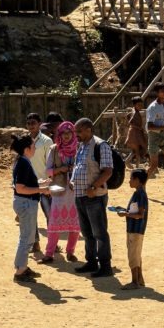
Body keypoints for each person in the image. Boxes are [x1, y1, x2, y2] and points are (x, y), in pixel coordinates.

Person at [71, 117, 114, 278]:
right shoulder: (81, 146)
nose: (77, 135)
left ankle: (105, 265)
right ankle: (91, 261)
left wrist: (94, 187)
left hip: (94, 196)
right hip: (80, 195)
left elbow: (108, 171)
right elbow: (79, 167)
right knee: (87, 232)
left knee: (99, 232)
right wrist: (72, 181)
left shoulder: (100, 145)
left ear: (89, 129)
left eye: (79, 131)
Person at [42, 120, 81, 263]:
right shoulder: (54, 149)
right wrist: (60, 170)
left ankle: (70, 252)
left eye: (69, 132)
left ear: (73, 133)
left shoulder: (79, 148)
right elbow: (48, 171)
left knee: (75, 224)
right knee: (54, 223)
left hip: (75, 190)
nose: (66, 136)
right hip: (59, 190)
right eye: (63, 133)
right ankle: (49, 253)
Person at [10, 134, 45, 283]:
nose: (35, 148)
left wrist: (41, 185)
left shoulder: (22, 161)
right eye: (33, 145)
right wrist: (41, 190)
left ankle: (21, 266)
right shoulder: (24, 162)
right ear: (27, 149)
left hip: (24, 203)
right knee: (27, 238)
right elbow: (21, 188)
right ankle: (20, 270)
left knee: (27, 237)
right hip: (26, 203)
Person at [26, 112, 54, 253]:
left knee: (50, 215)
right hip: (29, 185)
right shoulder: (24, 140)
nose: (31, 126)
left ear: (39, 124)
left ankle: (52, 245)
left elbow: (51, 164)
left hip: (44, 184)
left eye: (33, 123)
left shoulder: (47, 141)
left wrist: (50, 183)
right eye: (29, 123)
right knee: (31, 217)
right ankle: (35, 244)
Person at [117, 168, 148, 290]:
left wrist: (125, 214)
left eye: (131, 179)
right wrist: (125, 211)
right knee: (136, 254)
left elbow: (140, 214)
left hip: (136, 229)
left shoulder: (140, 194)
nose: (129, 181)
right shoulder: (138, 193)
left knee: (133, 255)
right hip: (134, 229)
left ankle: (135, 281)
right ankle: (139, 279)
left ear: (138, 180)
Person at [125, 96, 148, 166]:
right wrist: (139, 127)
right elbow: (130, 122)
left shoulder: (134, 110)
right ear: (135, 105)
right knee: (138, 150)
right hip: (134, 134)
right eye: (139, 105)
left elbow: (128, 116)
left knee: (136, 151)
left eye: (141, 105)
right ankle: (136, 166)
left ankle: (128, 162)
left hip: (136, 133)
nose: (141, 106)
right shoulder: (135, 113)